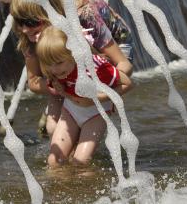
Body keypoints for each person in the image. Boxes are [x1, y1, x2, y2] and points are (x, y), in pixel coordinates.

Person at [10, 0, 133, 138]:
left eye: (31, 22)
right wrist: (61, 88)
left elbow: (124, 64)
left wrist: (98, 97)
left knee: (85, 114)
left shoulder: (83, 14)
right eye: (20, 21)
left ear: (49, 12)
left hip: (112, 44)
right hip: (67, 59)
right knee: (53, 129)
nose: (25, 29)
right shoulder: (27, 33)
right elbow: (33, 81)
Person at [35, 26, 132, 166]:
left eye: (59, 63)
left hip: (96, 113)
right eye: (49, 64)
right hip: (71, 111)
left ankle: (89, 187)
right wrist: (61, 90)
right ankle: (62, 187)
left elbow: (128, 84)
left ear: (74, 54)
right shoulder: (53, 70)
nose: (55, 69)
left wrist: (95, 99)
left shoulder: (95, 67)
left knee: (80, 162)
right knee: (54, 161)